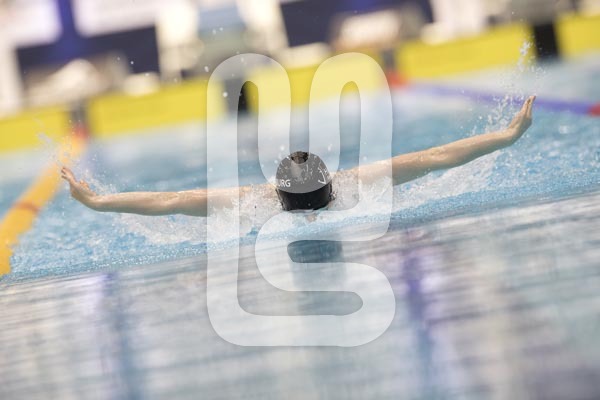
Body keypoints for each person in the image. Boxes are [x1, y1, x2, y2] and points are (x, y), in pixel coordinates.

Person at [62, 96, 536, 216]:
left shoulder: (256, 201)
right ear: (329, 185)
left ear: (279, 191)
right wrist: (506, 136)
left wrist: (98, 201)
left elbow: (171, 200)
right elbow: (437, 156)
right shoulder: (356, 186)